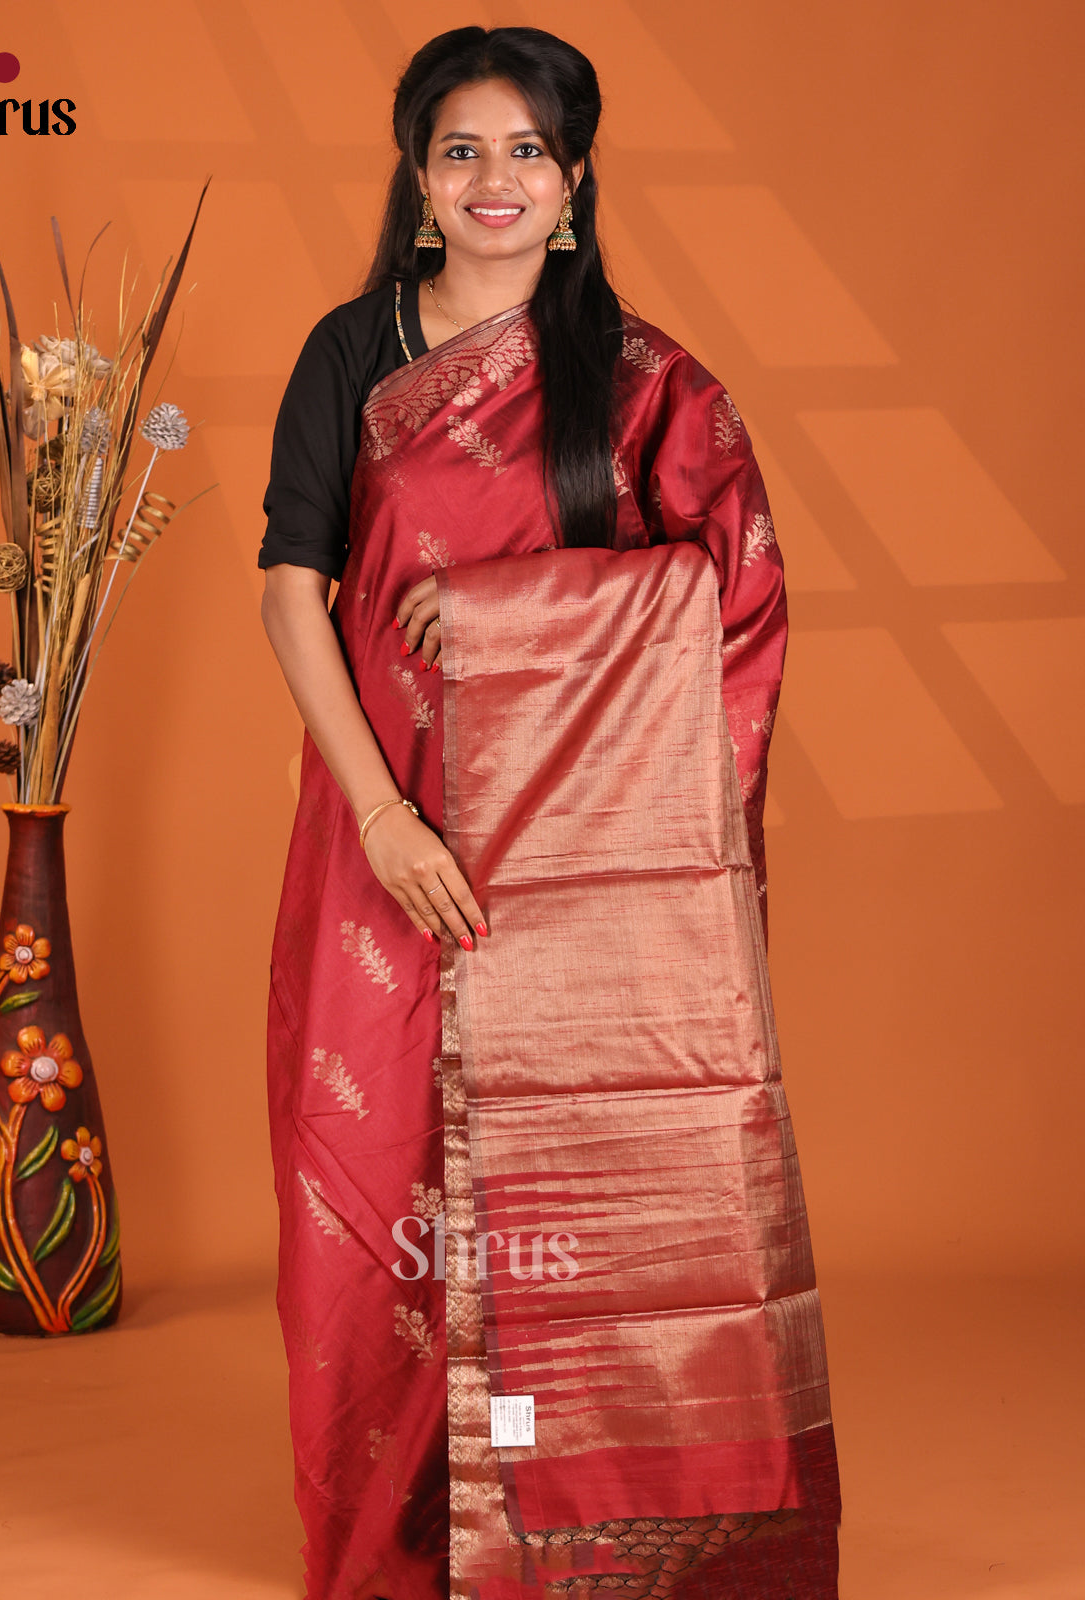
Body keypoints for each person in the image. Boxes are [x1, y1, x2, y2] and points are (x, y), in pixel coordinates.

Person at [259, 25, 840, 1600]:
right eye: (461, 149)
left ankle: (583, 1524)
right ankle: (406, 1535)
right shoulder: (353, 353)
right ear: (417, 176)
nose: (494, 178)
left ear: (574, 181)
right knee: (373, 1177)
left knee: (583, 1196)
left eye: (527, 150)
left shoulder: (645, 383)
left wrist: (509, 615)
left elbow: (735, 598)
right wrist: (383, 817)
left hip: (580, 871)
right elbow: (294, 592)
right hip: (386, 837)